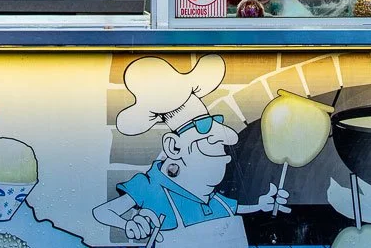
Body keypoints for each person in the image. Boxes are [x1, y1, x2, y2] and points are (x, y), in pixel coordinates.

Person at [93, 56, 287, 247]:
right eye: (211, 142)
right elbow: (102, 212)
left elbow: (234, 209)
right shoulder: (150, 187)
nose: (224, 156)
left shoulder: (212, 198)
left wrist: (260, 206)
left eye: (221, 149)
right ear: (174, 147)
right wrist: (129, 224)